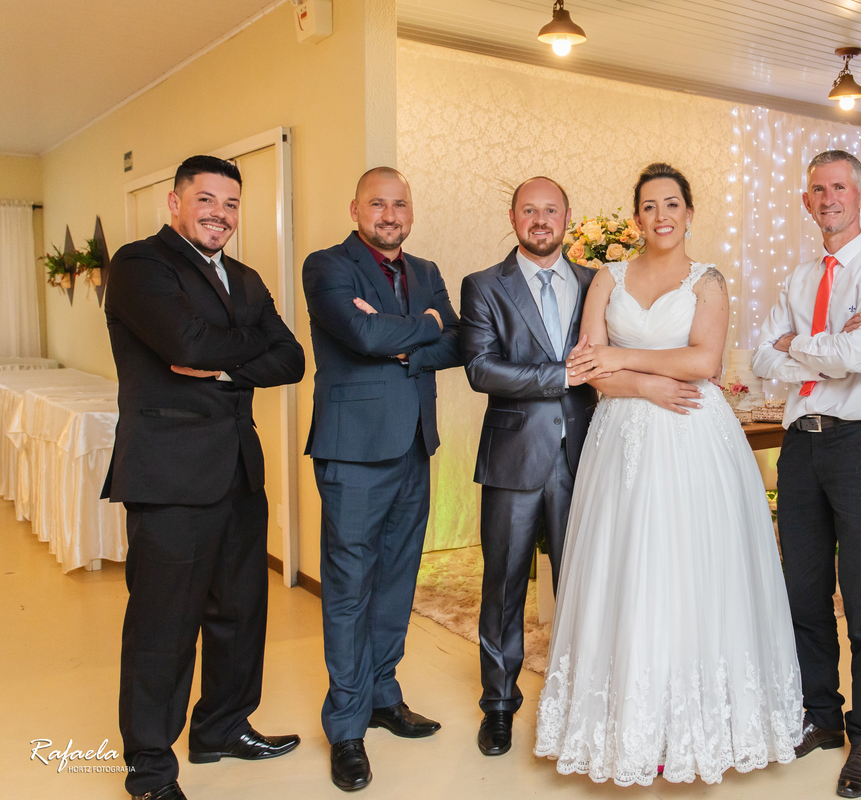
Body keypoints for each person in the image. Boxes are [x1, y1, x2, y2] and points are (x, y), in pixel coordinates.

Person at [535, 163, 803, 785]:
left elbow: (705, 362)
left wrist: (623, 359)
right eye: (650, 206)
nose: (662, 216)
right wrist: (646, 386)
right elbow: (589, 368)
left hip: (693, 434)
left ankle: (701, 726)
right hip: (623, 436)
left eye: (672, 204)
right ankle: (630, 728)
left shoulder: (708, 281)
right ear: (637, 217)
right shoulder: (607, 278)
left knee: (692, 566)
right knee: (627, 565)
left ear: (689, 213)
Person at [103, 155, 305, 800]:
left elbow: (292, 358)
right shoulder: (140, 264)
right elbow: (182, 344)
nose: (221, 214)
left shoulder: (244, 278)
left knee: (240, 612)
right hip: (169, 474)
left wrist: (220, 364)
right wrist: (235, 348)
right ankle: (150, 769)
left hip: (238, 471)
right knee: (163, 626)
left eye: (232, 203)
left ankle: (222, 727)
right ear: (175, 202)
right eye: (207, 199)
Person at [751, 149, 861, 798]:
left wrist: (797, 345)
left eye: (840, 187)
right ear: (806, 201)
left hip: (860, 447)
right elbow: (761, 357)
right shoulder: (798, 277)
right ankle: (820, 716)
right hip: (801, 448)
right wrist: (821, 350)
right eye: (818, 189)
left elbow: (860, 355)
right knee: (804, 592)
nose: (829, 199)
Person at [302, 167, 461, 792]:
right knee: (349, 587)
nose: (389, 214)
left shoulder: (426, 271)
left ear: (411, 212)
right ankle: (346, 727)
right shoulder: (327, 266)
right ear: (355, 209)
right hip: (353, 452)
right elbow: (362, 333)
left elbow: (459, 342)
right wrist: (424, 326)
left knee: (397, 580)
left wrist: (403, 341)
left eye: (399, 204)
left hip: (414, 445)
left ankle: (382, 695)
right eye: (377, 203)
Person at [459, 177, 598, 757]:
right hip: (513, 457)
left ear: (568, 216)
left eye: (551, 210)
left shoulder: (595, 282)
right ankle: (498, 704)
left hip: (585, 455)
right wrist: (559, 375)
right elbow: (481, 369)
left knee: (583, 583)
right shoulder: (483, 286)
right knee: (504, 585)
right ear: (513, 217)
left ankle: (581, 697)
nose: (541, 220)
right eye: (529, 210)